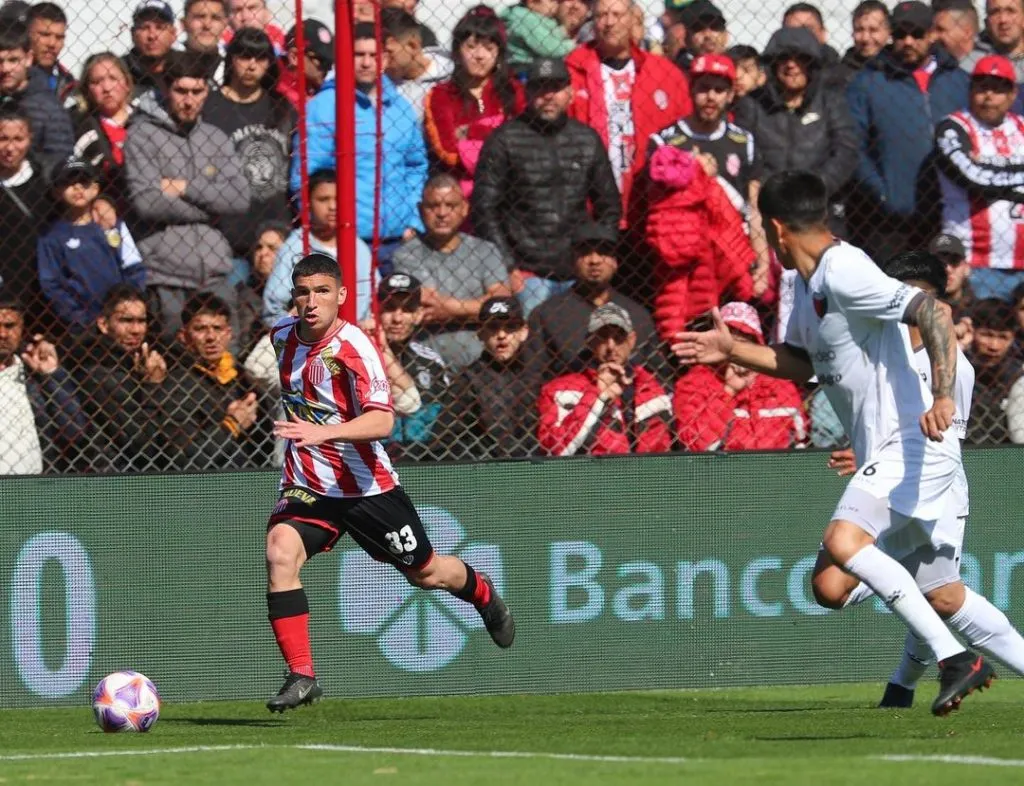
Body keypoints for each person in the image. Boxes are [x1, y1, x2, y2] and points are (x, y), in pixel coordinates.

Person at [672, 169, 996, 716]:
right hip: (883, 450)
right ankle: (942, 663)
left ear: (774, 228)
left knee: (847, 543)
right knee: (830, 585)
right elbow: (799, 364)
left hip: (910, 442)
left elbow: (929, 313)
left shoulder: (845, 268)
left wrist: (942, 395)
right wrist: (732, 350)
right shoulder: (805, 283)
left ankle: (954, 658)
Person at [263, 253, 514, 711]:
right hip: (309, 483)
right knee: (280, 550)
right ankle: (302, 674)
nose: (311, 301)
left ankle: (481, 589)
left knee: (426, 573)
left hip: (366, 488)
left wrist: (325, 432)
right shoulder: (281, 336)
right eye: (303, 292)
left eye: (322, 291)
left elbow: (382, 421)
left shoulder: (354, 347)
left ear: (341, 295)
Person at [816, 250, 1024, 709]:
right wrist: (869, 448)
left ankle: (905, 685)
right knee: (835, 588)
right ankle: (907, 684)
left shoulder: (953, 365)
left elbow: (940, 435)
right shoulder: (883, 350)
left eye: (907, 300)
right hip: (889, 476)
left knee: (943, 597)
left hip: (934, 485)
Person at [473, 57, 621, 317]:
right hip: (527, 272)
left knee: (582, 346)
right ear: (528, 93)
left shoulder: (586, 140)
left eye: (556, 87)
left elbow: (609, 204)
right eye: (540, 88)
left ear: (570, 93)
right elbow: (484, 208)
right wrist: (507, 266)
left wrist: (596, 255)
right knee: (533, 348)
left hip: (579, 269)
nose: (548, 96)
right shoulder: (505, 140)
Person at [124, 52, 251, 343]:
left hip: (216, 273)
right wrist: (212, 205)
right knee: (174, 359)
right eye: (181, 91)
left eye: (197, 91)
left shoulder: (215, 137)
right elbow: (147, 202)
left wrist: (183, 187)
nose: (189, 100)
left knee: (225, 360)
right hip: (166, 275)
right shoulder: (142, 136)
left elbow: (240, 198)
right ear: (167, 89)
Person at [296, 22, 427, 274]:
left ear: (385, 59)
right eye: (358, 55)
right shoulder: (324, 107)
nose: (366, 63)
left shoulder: (401, 108)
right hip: (345, 240)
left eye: (373, 55)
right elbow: (307, 175)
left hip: (399, 239)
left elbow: (416, 166)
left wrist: (413, 219)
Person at [846, 1, 970, 261]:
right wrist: (881, 192)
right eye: (900, 34)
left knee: (943, 291)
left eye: (917, 33)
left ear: (932, 33)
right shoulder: (869, 81)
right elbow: (852, 145)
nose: (908, 41)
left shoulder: (958, 80)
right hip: (890, 221)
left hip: (949, 215)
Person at [565, 0, 692, 213]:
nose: (609, 22)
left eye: (617, 14)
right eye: (601, 15)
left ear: (633, 20)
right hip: (589, 204)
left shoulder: (666, 74)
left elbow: (687, 130)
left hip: (652, 201)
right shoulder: (571, 72)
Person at [734, 26, 857, 238]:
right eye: (783, 58)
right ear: (773, 64)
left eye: (800, 58)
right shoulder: (752, 105)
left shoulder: (830, 102)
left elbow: (846, 151)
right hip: (768, 213)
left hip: (820, 212)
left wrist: (812, 191)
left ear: (812, 65)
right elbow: (745, 156)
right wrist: (776, 195)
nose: (791, 65)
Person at [390, 174, 512, 371]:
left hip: (483, 361)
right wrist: (480, 309)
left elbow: (502, 303)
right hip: (425, 361)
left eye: (451, 205)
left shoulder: (485, 250)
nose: (442, 213)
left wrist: (450, 309)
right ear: (421, 210)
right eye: (433, 206)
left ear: (464, 209)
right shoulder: (406, 254)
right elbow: (429, 305)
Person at [935, 55, 1024, 301]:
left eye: (997, 89)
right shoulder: (953, 128)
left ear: (1012, 94)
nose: (989, 96)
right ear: (971, 89)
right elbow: (972, 177)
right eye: (982, 87)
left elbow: (985, 177)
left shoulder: (1023, 127)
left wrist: (989, 167)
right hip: (973, 261)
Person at [524, 221, 660, 382]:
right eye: (585, 252)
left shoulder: (638, 315)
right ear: (573, 261)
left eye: (603, 252)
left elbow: (660, 375)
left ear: (615, 262)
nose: (594, 260)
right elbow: (530, 378)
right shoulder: (548, 315)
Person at [203, 27, 296, 262]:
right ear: (231, 58)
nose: (252, 65)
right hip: (226, 234)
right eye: (244, 56)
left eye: (260, 58)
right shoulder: (209, 107)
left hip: (275, 233)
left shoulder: (282, 108)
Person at [538, 302, 672, 456]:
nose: (611, 346)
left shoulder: (654, 387)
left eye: (619, 337)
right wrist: (598, 396)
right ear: (589, 341)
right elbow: (556, 450)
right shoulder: (560, 390)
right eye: (602, 337)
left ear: (632, 340)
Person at [423, 5, 525, 201]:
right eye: (471, 46)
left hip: (511, 191)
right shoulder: (441, 95)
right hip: (460, 194)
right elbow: (449, 153)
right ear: (456, 50)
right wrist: (498, 133)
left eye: (489, 48)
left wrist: (469, 132)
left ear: (499, 55)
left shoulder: (513, 91)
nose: (479, 55)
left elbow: (523, 144)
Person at [163, 291, 274, 469]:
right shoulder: (176, 383)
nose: (211, 337)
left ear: (229, 334)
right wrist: (232, 424)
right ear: (183, 336)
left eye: (218, 328)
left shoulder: (244, 378)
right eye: (200, 329)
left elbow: (266, 444)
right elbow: (183, 459)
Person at [675, 301, 805, 451]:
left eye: (744, 341)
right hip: (720, 472)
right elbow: (694, 445)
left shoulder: (779, 385)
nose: (736, 350)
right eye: (730, 341)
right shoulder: (695, 382)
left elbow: (801, 438)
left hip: (776, 471)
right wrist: (729, 391)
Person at [37, 157, 145, 332]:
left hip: (122, 318)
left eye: (84, 182)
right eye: (69, 182)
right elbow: (52, 284)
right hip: (82, 325)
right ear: (57, 192)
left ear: (96, 188)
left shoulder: (113, 225)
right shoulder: (51, 237)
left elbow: (134, 267)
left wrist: (126, 306)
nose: (78, 187)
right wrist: (81, 318)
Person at [70, 284, 166, 472]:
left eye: (141, 321)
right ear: (104, 325)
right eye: (126, 321)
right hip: (112, 475)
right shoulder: (97, 370)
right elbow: (142, 445)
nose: (136, 330)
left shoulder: (134, 362)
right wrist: (153, 385)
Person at [434, 295, 539, 460]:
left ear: (523, 332)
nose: (502, 335)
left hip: (537, 463)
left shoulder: (537, 375)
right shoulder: (468, 379)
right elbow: (443, 440)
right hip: (485, 468)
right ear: (481, 333)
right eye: (493, 327)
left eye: (510, 327)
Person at [264, 169, 374, 325]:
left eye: (338, 199)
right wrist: (295, 329)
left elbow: (373, 299)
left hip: (354, 333)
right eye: (323, 199)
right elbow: (273, 307)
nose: (333, 206)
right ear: (308, 203)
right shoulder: (294, 247)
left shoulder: (359, 248)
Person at [361, 273, 451, 461]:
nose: (397, 318)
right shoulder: (358, 355)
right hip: (367, 456)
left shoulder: (431, 362)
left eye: (407, 309)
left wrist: (384, 351)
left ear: (418, 315)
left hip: (423, 460)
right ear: (375, 312)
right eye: (390, 308)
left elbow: (423, 427)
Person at [0, 295, 87, 473]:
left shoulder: (33, 377)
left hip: (35, 489)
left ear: (22, 328)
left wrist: (51, 375)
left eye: (10, 326)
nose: (2, 334)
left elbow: (74, 430)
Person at [0, 107, 49, 332]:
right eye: (3, 139)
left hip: (37, 284)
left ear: (30, 140)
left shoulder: (45, 182)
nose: (10, 148)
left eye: (18, 139)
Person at [0, 21, 73, 169]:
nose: (5, 68)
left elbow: (59, 161)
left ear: (28, 59)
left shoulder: (49, 109)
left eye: (13, 60)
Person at [70, 53, 135, 211]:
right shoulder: (83, 131)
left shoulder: (147, 121)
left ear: (126, 83)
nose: (106, 88)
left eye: (113, 78)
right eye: (97, 82)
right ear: (87, 89)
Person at [965, 297, 1024, 443]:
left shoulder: (1018, 374)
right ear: (971, 331)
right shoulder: (955, 369)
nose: (994, 346)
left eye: (1003, 337)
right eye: (987, 335)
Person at [382, 7, 452, 121]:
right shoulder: (383, 84)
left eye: (389, 53)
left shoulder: (452, 73)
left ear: (412, 46)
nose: (383, 62)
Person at [501, 0, 576, 74]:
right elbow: (547, 48)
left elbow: (547, 34)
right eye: (552, 1)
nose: (556, 4)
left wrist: (562, 31)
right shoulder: (526, 19)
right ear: (532, 2)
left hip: (534, 66)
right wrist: (571, 45)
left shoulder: (538, 18)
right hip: (521, 67)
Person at [124, 0, 178, 98]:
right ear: (132, 34)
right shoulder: (120, 70)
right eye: (144, 27)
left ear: (173, 34)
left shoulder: (187, 68)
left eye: (159, 27)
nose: (152, 36)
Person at [961, 0, 1024, 82]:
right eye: (995, 12)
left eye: (1010, 11)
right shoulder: (969, 63)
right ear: (987, 22)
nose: (1003, 20)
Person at [276, 19, 332, 109]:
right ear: (294, 57)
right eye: (322, 60)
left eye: (330, 61)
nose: (328, 68)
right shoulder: (278, 95)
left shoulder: (315, 88)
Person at [25, 2, 75, 104]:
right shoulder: (7, 77)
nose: (52, 44)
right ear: (27, 34)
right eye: (45, 35)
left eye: (59, 37)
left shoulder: (70, 84)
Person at [180, 0, 229, 83]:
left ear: (225, 25)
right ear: (184, 24)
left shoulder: (233, 68)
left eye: (215, 18)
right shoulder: (165, 63)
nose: (207, 25)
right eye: (200, 17)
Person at [674, 0, 729, 72]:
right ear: (686, 38)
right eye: (698, 28)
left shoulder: (738, 68)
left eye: (715, 26)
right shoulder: (677, 72)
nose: (708, 35)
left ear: (725, 35)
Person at [843, 0, 890, 76]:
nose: (865, 38)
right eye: (859, 30)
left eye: (873, 30)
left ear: (888, 32)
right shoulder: (839, 75)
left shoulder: (902, 71)